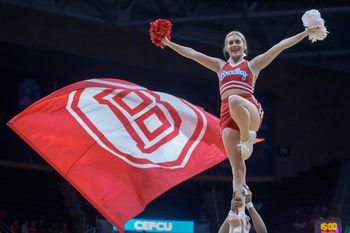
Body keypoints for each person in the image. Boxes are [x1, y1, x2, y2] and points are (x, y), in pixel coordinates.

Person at [159, 24, 321, 232]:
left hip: (250, 111)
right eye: (230, 42)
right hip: (227, 115)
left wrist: (307, 32)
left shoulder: (253, 65)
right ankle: (238, 206)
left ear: (244, 46)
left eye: (238, 41)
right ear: (226, 48)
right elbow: (192, 54)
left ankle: (247, 138)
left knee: (235, 99)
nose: (234, 44)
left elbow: (281, 46)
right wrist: (168, 42)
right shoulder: (219, 66)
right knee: (237, 167)